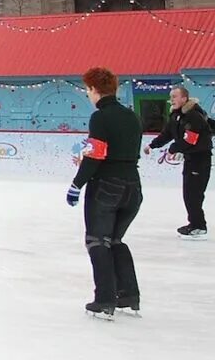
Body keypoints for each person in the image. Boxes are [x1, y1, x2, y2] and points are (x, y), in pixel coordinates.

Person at [67, 67, 143, 319]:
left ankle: (105, 299)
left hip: (107, 188)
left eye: (87, 89)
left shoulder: (100, 117)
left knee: (97, 241)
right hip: (133, 186)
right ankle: (129, 294)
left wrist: (77, 184)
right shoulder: (131, 116)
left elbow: (96, 155)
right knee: (115, 241)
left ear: (93, 89)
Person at [145, 86, 210, 239]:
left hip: (200, 159)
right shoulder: (176, 116)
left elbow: (190, 139)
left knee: (193, 194)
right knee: (188, 193)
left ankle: (199, 226)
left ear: (184, 98)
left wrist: (174, 149)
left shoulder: (193, 116)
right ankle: (194, 224)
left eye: (174, 96)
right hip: (190, 160)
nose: (171, 99)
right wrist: (152, 145)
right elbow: (167, 134)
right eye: (170, 96)